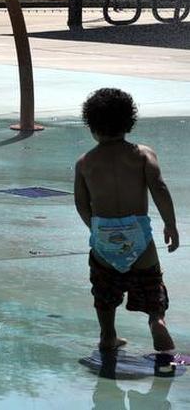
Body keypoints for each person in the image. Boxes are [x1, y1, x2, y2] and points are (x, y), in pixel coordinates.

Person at [74, 87, 179, 375]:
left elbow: (81, 203)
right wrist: (170, 224)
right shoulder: (143, 155)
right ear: (129, 122)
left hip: (104, 234)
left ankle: (108, 335)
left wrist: (96, 230)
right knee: (150, 280)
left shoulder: (85, 163)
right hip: (138, 233)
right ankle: (156, 320)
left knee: (105, 287)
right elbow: (159, 188)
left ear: (92, 127)